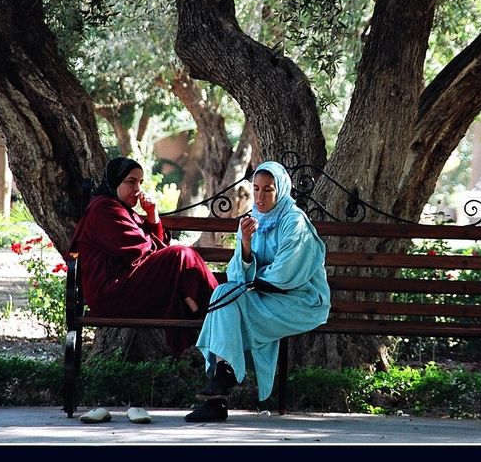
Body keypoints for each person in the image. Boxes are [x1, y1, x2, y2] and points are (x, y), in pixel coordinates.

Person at [68, 157, 219, 423]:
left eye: (139, 182)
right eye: (130, 182)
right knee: (179, 255)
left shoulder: (120, 209)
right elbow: (145, 249)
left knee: (179, 256)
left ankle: (205, 311)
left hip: (126, 287)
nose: (136, 189)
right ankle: (212, 311)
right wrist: (152, 226)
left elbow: (149, 246)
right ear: (114, 182)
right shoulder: (103, 209)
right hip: (111, 294)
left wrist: (152, 217)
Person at [184, 161, 331, 423]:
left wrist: (251, 280)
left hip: (300, 300)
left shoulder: (294, 222)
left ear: (281, 190)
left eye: (268, 190)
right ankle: (222, 379)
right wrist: (246, 244)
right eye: (256, 189)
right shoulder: (253, 219)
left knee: (228, 312)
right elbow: (237, 276)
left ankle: (220, 388)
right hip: (265, 297)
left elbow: (284, 275)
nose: (260, 197)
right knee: (222, 295)